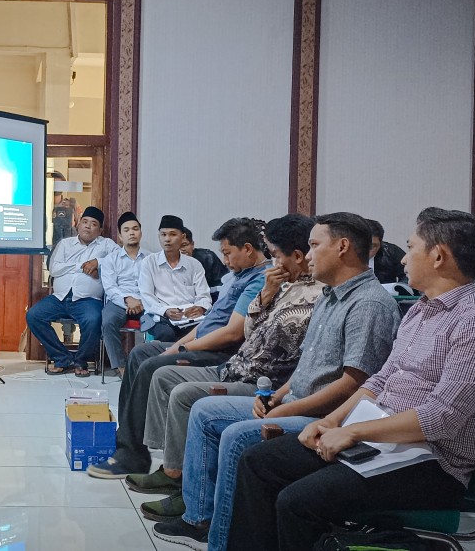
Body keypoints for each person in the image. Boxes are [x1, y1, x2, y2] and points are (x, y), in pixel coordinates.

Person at [226, 207, 475, 551]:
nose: (403, 260)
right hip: (382, 442)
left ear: (438, 256)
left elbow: (440, 419)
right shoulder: (421, 310)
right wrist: (331, 421)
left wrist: (352, 431)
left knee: (298, 501)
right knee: (259, 462)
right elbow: (380, 380)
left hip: (432, 462)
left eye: (410, 248)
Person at [149, 212, 400, 549]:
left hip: (324, 416)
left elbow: (355, 382)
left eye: (313, 246)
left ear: (342, 248)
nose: (308, 255)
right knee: (204, 411)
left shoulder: (368, 303)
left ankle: (220, 540)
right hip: (288, 394)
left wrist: (287, 407)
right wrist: (276, 396)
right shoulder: (330, 294)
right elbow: (307, 362)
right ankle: (199, 516)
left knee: (237, 434)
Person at [134, 214, 324, 521]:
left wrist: (277, 397)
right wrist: (267, 295)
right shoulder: (283, 285)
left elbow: (293, 354)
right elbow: (251, 327)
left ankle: (186, 490)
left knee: (181, 392)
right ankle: (172, 468)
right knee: (157, 369)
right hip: (236, 366)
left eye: (275, 255)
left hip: (260, 380)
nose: (271, 262)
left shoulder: (319, 295)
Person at [87, 218, 270, 479]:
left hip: (220, 352)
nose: (226, 262)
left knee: (153, 366)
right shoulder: (238, 276)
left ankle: (141, 457)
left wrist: (182, 348)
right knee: (139, 354)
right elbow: (211, 321)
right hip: (192, 333)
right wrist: (179, 345)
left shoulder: (259, 280)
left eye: (228, 253)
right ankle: (128, 445)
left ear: (248, 249)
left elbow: (231, 332)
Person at [26, 206, 118, 377]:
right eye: (84, 222)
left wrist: (98, 262)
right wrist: (82, 267)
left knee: (94, 319)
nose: (87, 226)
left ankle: (81, 361)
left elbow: (120, 260)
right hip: (59, 298)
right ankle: (62, 358)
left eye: (93, 224)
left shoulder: (106, 245)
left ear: (100, 230)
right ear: (78, 225)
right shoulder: (65, 244)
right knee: (33, 315)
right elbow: (55, 269)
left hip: (88, 300)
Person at [138, 215, 213, 342]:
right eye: (163, 235)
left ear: (182, 237)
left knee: (204, 333)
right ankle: (163, 362)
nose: (167, 239)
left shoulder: (194, 265)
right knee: (166, 334)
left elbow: (204, 295)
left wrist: (200, 308)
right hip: (160, 316)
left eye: (172, 234)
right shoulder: (149, 263)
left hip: (189, 318)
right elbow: (146, 297)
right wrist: (165, 310)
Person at [99, 211, 148, 375]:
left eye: (135, 229)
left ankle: (148, 367)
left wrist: (140, 301)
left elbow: (154, 286)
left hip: (145, 302)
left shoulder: (151, 259)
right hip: (119, 301)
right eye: (126, 230)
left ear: (141, 233)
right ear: (120, 236)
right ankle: (122, 368)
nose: (131, 233)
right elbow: (110, 288)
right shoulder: (110, 259)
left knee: (161, 324)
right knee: (108, 321)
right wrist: (128, 300)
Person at [183, 226, 230, 294]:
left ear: (192, 245)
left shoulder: (208, 258)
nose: (181, 250)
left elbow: (222, 286)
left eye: (184, 245)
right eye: (176, 246)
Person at [366, 218, 407, 284]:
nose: (368, 250)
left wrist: (401, 287)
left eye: (373, 246)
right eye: (363, 245)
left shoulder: (390, 252)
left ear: (380, 243)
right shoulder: (345, 254)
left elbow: (410, 274)